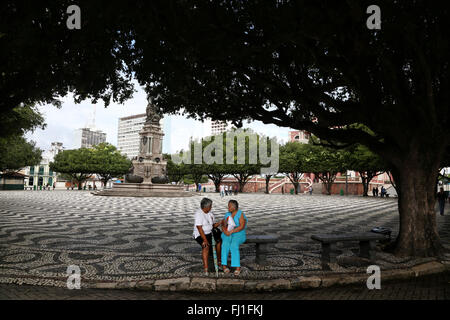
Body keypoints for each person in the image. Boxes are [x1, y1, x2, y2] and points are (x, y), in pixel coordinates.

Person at [193, 198, 222, 275]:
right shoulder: (199, 214)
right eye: (210, 206)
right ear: (206, 207)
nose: (211, 208)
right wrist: (205, 240)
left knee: (219, 241)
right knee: (206, 246)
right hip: (200, 234)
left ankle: (219, 262)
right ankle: (206, 269)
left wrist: (220, 222)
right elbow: (199, 229)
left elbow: (213, 225)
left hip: (210, 232)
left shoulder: (210, 213)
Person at [221, 200, 248, 276]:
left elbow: (241, 226)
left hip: (238, 233)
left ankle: (237, 267)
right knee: (225, 244)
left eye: (229, 206)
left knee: (234, 245)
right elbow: (223, 225)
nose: (228, 207)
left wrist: (232, 231)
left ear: (234, 207)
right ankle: (224, 265)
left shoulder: (240, 214)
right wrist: (225, 231)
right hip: (228, 233)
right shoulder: (227, 214)